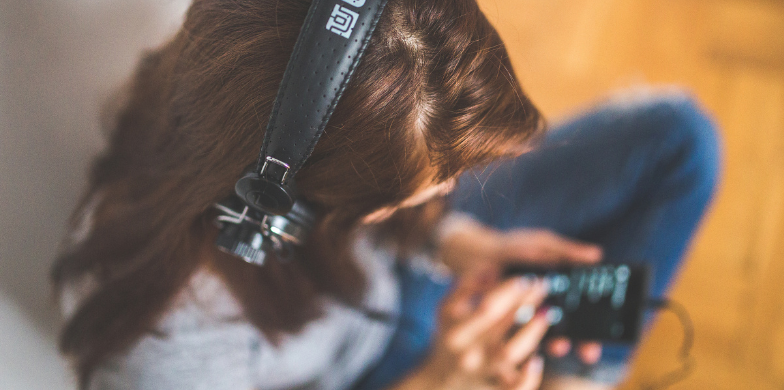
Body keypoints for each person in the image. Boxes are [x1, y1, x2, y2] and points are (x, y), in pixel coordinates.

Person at [53, 0, 720, 389]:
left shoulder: (240, 95)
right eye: (426, 187)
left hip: (380, 269)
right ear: (277, 207)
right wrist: (442, 373)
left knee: (679, 139)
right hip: (381, 367)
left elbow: (396, 199)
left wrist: (450, 238)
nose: (456, 188)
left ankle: (573, 367)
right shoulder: (163, 349)